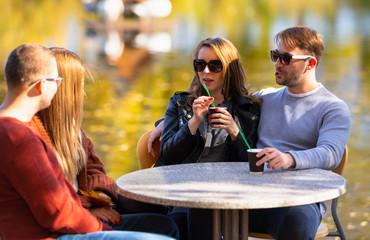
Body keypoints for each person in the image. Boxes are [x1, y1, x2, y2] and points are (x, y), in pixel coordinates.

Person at [149, 26, 351, 240]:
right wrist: (165, 123)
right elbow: (223, 103)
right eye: (275, 55)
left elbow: (330, 153)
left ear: (310, 63)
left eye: (285, 58)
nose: (277, 63)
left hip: (298, 199)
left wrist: (289, 158)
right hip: (247, 195)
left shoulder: (333, 108)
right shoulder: (266, 98)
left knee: (296, 222)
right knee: (202, 203)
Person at [0, 43, 175, 240]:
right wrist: (104, 230)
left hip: (67, 224)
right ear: (42, 86)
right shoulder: (20, 138)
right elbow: (56, 211)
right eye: (57, 81)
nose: (81, 93)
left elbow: (75, 188)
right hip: (54, 234)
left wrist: (97, 202)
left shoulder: (20, 133)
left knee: (163, 222)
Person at [155, 37, 260, 240]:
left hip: (225, 196)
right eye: (200, 65)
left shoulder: (248, 110)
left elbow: (249, 167)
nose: (206, 72)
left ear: (230, 69)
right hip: (182, 192)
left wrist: (234, 131)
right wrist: (193, 122)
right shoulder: (180, 103)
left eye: (215, 66)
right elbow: (167, 157)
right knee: (178, 222)